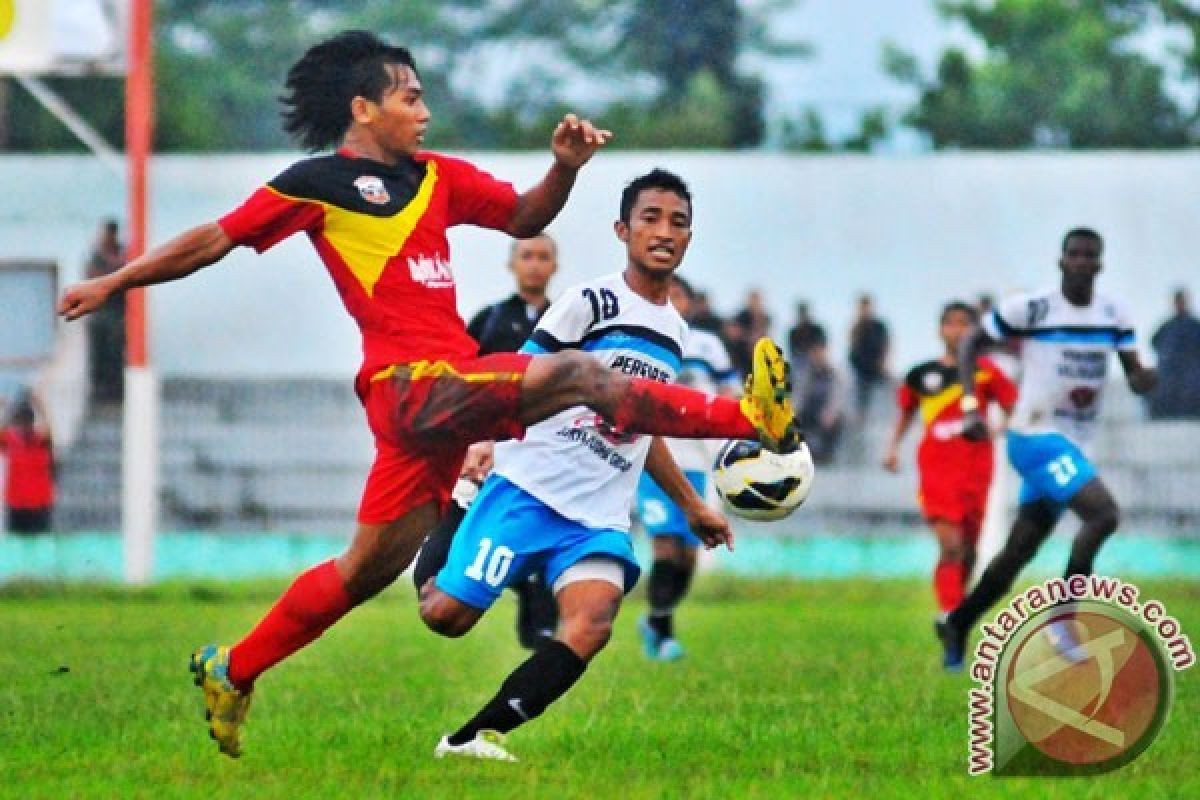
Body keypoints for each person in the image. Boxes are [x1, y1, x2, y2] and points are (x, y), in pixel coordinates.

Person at [57, 32, 800, 759]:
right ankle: (748, 416)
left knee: (369, 576)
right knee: (585, 375)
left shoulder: (436, 176)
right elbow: (213, 239)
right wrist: (113, 283)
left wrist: (564, 168)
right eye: (410, 97)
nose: (425, 111)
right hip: (411, 387)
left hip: (438, 406)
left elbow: (523, 215)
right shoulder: (314, 184)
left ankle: (233, 669)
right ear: (364, 108)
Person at [416, 169, 733, 762]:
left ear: (689, 237)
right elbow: (522, 376)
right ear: (624, 229)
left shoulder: (675, 332)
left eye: (679, 222)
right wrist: (484, 439)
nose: (664, 231)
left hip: (597, 512)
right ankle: (457, 507)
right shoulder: (591, 301)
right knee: (445, 615)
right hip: (530, 487)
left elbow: (642, 423)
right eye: (651, 218)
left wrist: (692, 506)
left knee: (592, 622)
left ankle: (472, 739)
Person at [936, 228, 1157, 671]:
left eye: (1088, 256)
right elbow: (970, 344)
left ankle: (958, 622)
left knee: (1020, 550)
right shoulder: (1033, 308)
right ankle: (1063, 616)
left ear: (1099, 264)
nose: (1079, 262)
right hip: (1034, 437)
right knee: (1103, 514)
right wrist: (970, 404)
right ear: (1060, 262)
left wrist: (1144, 378)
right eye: (1072, 254)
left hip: (1075, 444)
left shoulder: (1114, 313)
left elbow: (1133, 371)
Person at [428, 233, 561, 649]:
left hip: (546, 450)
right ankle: (457, 588)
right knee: (476, 528)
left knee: (538, 530)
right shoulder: (489, 321)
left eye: (543, 257)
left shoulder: (566, 321)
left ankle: (539, 629)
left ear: (554, 265)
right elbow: (463, 383)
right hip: (492, 447)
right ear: (512, 264)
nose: (535, 264)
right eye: (527, 256)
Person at [882, 302, 1016, 616]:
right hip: (936, 468)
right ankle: (950, 613)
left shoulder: (985, 371)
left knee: (969, 550)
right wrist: (892, 448)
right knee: (950, 545)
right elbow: (905, 414)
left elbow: (1010, 402)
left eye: (963, 324)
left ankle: (957, 605)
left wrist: (999, 427)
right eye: (950, 323)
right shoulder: (921, 374)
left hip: (976, 467)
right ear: (940, 330)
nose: (957, 330)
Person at [635, 274, 740, 662]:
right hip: (653, 456)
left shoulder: (707, 345)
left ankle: (657, 618)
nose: (671, 298)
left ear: (690, 304)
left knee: (688, 556)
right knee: (664, 544)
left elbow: (730, 393)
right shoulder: (642, 339)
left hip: (698, 461)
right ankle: (662, 634)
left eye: (679, 294)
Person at [0, 390, 55, 535]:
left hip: (39, 503)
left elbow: (48, 428)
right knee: (17, 543)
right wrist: (6, 410)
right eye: (20, 422)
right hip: (17, 503)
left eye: (26, 422)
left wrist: (39, 405)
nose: (23, 426)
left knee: (39, 541)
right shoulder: (11, 440)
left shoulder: (41, 440)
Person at [85, 219, 127, 403]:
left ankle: (115, 390)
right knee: (97, 354)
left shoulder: (122, 255)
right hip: (99, 312)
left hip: (116, 313)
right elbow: (90, 278)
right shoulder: (97, 255)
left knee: (115, 354)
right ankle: (98, 391)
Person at [793, 332, 847, 465]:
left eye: (819, 351)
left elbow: (838, 396)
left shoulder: (835, 373)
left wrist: (830, 412)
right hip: (809, 410)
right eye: (814, 352)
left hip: (827, 411)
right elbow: (799, 395)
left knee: (838, 421)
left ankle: (827, 455)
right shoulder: (806, 373)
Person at [1148, 288, 1200, 419]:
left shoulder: (1194, 326)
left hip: (1192, 380)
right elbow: (1154, 343)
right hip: (1169, 380)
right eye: (1178, 301)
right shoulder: (1167, 327)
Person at [848, 293, 890, 421]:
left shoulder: (879, 326)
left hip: (877, 370)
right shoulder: (856, 327)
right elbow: (852, 348)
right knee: (861, 405)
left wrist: (883, 363)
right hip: (860, 372)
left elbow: (886, 345)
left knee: (886, 398)